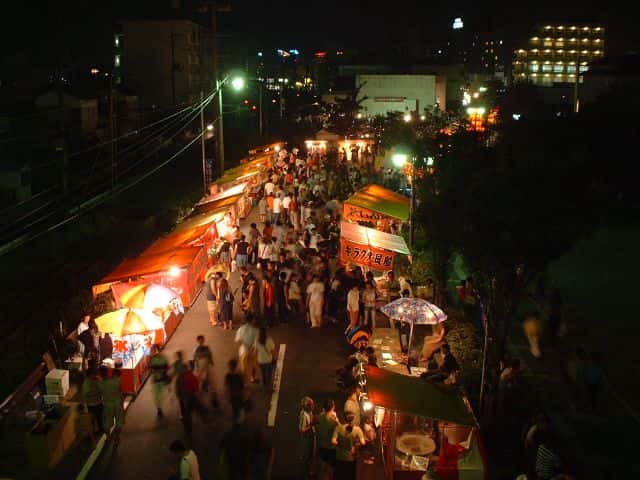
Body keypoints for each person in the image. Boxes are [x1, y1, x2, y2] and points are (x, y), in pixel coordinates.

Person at [331, 412, 365, 480]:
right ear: (353, 419)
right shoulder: (358, 429)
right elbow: (363, 442)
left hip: (340, 457)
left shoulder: (338, 428)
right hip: (351, 458)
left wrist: (339, 443)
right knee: (349, 476)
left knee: (339, 476)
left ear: (344, 419)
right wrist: (355, 446)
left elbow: (333, 441)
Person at [99, 366, 124, 443]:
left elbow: (100, 394)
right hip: (117, 403)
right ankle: (117, 438)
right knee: (119, 421)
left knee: (107, 422)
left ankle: (108, 438)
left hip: (107, 404)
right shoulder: (116, 381)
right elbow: (120, 392)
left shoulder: (100, 383)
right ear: (107, 372)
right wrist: (122, 405)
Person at [317, 399, 339, 480]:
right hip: (331, 447)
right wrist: (336, 419)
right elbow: (340, 430)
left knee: (323, 464)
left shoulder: (320, 416)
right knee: (331, 467)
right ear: (332, 407)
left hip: (322, 445)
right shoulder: (333, 420)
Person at [235, 316, 259, 383]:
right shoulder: (255, 330)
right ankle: (252, 378)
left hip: (243, 351)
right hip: (253, 351)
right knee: (253, 365)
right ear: (252, 320)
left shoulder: (240, 329)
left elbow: (238, 341)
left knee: (244, 367)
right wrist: (251, 348)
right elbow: (256, 342)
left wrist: (244, 345)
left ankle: (244, 381)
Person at [179, 361, 200, 434]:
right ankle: (188, 426)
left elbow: (181, 387)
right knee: (189, 411)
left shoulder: (184, 377)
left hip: (187, 396)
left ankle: (188, 427)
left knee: (187, 412)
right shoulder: (190, 376)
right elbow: (196, 385)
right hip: (190, 396)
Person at [81, 367, 103, 435]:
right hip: (92, 404)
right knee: (92, 419)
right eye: (94, 373)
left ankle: (100, 430)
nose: (95, 375)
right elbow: (86, 393)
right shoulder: (86, 382)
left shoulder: (96, 380)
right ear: (90, 374)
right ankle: (93, 433)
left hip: (98, 402)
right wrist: (97, 391)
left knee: (100, 418)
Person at [149, 345, 169, 417]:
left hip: (159, 379)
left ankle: (159, 408)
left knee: (159, 395)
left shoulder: (157, 359)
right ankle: (159, 408)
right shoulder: (159, 358)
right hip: (158, 380)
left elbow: (166, 367)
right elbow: (151, 368)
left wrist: (157, 369)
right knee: (158, 395)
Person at [299, 396, 316, 479]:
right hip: (306, 438)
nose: (313, 406)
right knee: (306, 456)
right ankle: (305, 474)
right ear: (307, 406)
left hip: (311, 436)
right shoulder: (304, 415)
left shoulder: (309, 412)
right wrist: (311, 425)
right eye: (312, 405)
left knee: (311, 455)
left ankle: (309, 471)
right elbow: (302, 429)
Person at [255, 326, 276, 391]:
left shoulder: (256, 341)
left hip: (260, 361)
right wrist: (275, 358)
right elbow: (273, 351)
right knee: (269, 375)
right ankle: (268, 387)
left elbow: (255, 352)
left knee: (263, 374)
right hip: (268, 360)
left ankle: (264, 387)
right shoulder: (269, 340)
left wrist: (256, 360)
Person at [225, 358, 246, 423]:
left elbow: (227, 386)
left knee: (236, 407)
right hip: (236, 394)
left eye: (230, 366)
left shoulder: (229, 376)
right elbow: (242, 385)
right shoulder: (235, 376)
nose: (229, 368)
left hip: (236, 394)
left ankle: (237, 418)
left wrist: (227, 394)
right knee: (236, 407)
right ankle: (237, 418)